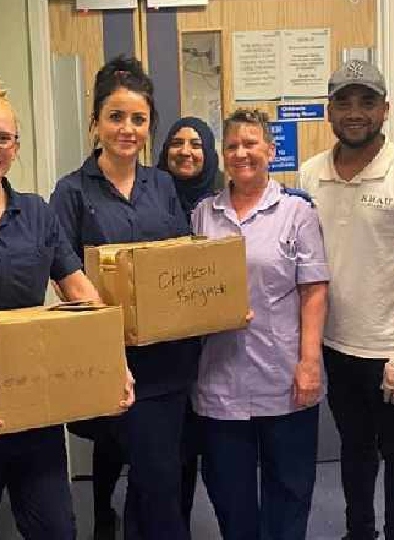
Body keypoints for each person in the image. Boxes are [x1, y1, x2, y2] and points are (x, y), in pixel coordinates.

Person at [0, 76, 134, 540]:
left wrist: (113, 362)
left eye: (3, 138)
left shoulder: (37, 212)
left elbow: (78, 287)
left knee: (56, 528)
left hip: (35, 403)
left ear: (16, 145)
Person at [299, 60, 394, 540]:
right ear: (329, 111)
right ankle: (359, 531)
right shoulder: (308, 175)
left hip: (390, 350)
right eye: (343, 101)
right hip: (336, 346)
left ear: (385, 109)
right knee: (354, 448)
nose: (354, 112)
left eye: (366, 101)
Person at [51, 55, 197, 540]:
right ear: (95, 123)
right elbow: (63, 270)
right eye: (116, 116)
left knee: (162, 477)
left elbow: (178, 261)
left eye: (138, 119)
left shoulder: (161, 185)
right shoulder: (71, 192)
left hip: (171, 359)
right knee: (155, 479)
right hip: (113, 359)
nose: (128, 129)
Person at [191, 108, 329, 540]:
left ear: (270, 150)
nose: (241, 153)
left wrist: (310, 363)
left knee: (289, 489)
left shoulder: (296, 212)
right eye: (232, 145)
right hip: (220, 379)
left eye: (250, 144)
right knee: (229, 493)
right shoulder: (202, 215)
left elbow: (314, 290)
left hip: (283, 376)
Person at [155, 115, 221, 530]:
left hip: (206, 347)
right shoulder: (149, 199)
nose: (186, 151)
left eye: (196, 144)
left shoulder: (219, 206)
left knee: (194, 445)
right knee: (159, 450)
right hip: (159, 346)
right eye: (177, 143)